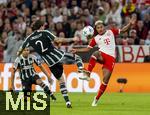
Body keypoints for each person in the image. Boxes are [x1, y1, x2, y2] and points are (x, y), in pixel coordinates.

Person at [17, 20, 85, 108]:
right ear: (41, 26)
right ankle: (81, 71)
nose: (44, 27)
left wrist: (20, 57)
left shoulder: (29, 38)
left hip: (50, 63)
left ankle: (67, 102)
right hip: (58, 56)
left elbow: (19, 50)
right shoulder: (45, 32)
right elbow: (58, 39)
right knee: (77, 58)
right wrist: (72, 39)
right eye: (43, 26)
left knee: (61, 80)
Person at [71, 17, 136, 106]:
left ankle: (96, 99)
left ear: (104, 27)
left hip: (111, 59)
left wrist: (130, 24)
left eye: (101, 27)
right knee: (95, 53)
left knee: (105, 80)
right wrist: (77, 50)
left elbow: (124, 30)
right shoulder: (96, 38)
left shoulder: (111, 32)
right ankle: (88, 74)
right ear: (96, 30)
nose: (100, 29)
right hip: (102, 55)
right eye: (98, 28)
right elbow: (87, 49)